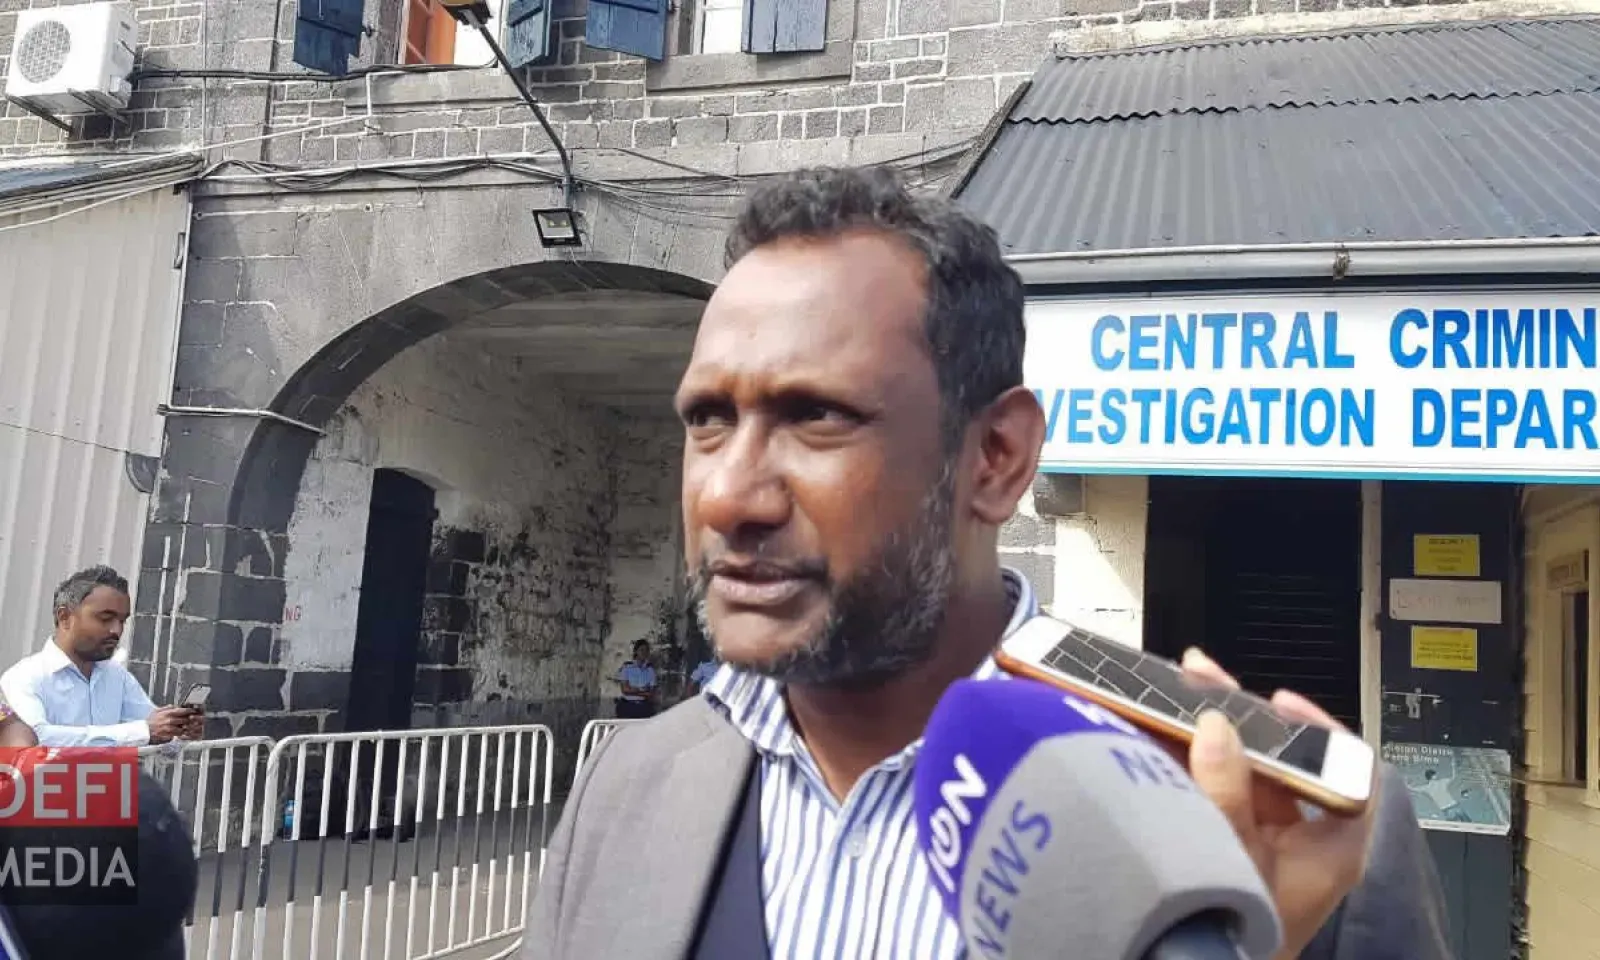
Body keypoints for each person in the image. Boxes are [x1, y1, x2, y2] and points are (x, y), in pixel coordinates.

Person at [524, 167, 1452, 958]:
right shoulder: (625, 787)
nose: (728, 497)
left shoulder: (1292, 843)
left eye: (817, 416)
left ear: (996, 457)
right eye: (708, 420)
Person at [1, 566, 201, 748]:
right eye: (105, 619)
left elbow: (153, 729)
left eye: (122, 621)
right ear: (65, 617)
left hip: (114, 778)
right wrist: (142, 732)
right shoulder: (24, 677)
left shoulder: (116, 676)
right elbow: (35, 738)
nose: (117, 630)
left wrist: (178, 731)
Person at [614, 639, 659, 720]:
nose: (644, 653)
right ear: (636, 651)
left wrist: (634, 689)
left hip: (644, 706)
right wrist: (642, 690)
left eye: (646, 650)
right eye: (641, 650)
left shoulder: (650, 670)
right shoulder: (627, 668)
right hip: (627, 705)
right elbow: (625, 690)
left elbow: (651, 693)